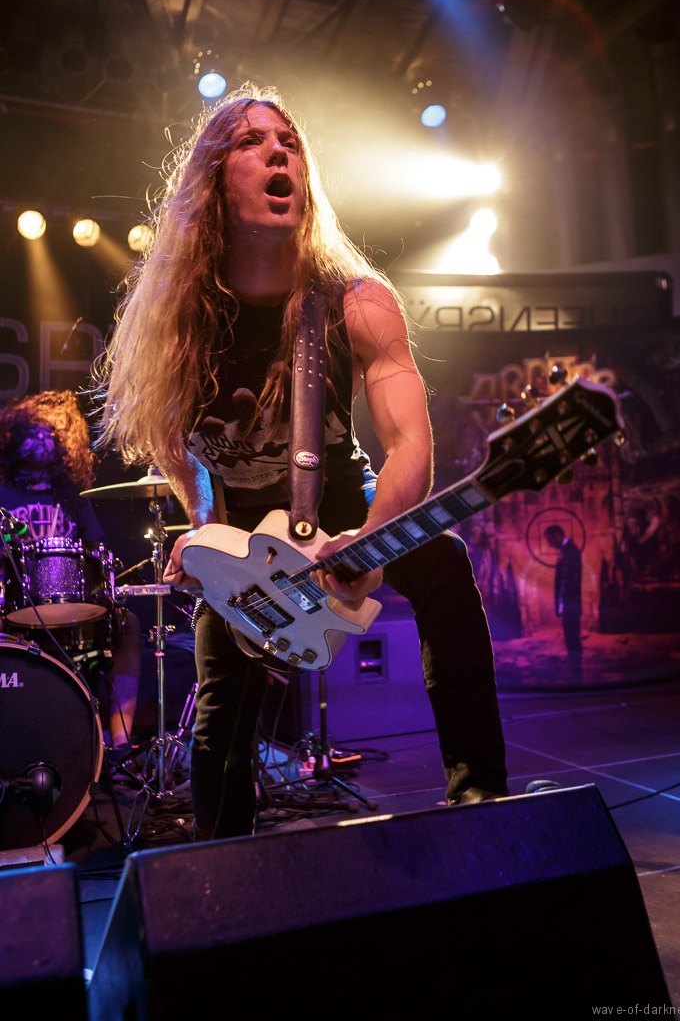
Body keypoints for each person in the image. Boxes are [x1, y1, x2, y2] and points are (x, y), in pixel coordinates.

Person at [93, 84, 509, 840]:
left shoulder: (356, 303)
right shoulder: (180, 319)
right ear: (215, 182)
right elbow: (175, 445)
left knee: (444, 561)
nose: (278, 152)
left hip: (345, 504)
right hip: (245, 525)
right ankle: (223, 864)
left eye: (288, 141)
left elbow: (409, 444)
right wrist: (206, 528)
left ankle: (480, 797)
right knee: (222, 704)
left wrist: (368, 542)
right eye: (252, 143)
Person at [0, 390, 143, 754]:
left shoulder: (72, 498)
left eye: (49, 433)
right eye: (32, 432)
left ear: (64, 441)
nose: (40, 440)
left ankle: (120, 742)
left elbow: (96, 553)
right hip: (16, 606)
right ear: (16, 436)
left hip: (73, 605)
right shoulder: (3, 494)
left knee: (129, 626)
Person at [544, 524, 583, 680]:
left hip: (570, 604)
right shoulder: (567, 551)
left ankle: (576, 673)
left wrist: (561, 604)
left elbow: (567, 581)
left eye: (549, 539)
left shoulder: (570, 552)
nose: (549, 544)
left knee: (572, 638)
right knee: (571, 637)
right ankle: (575, 671)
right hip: (570, 603)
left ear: (557, 535)